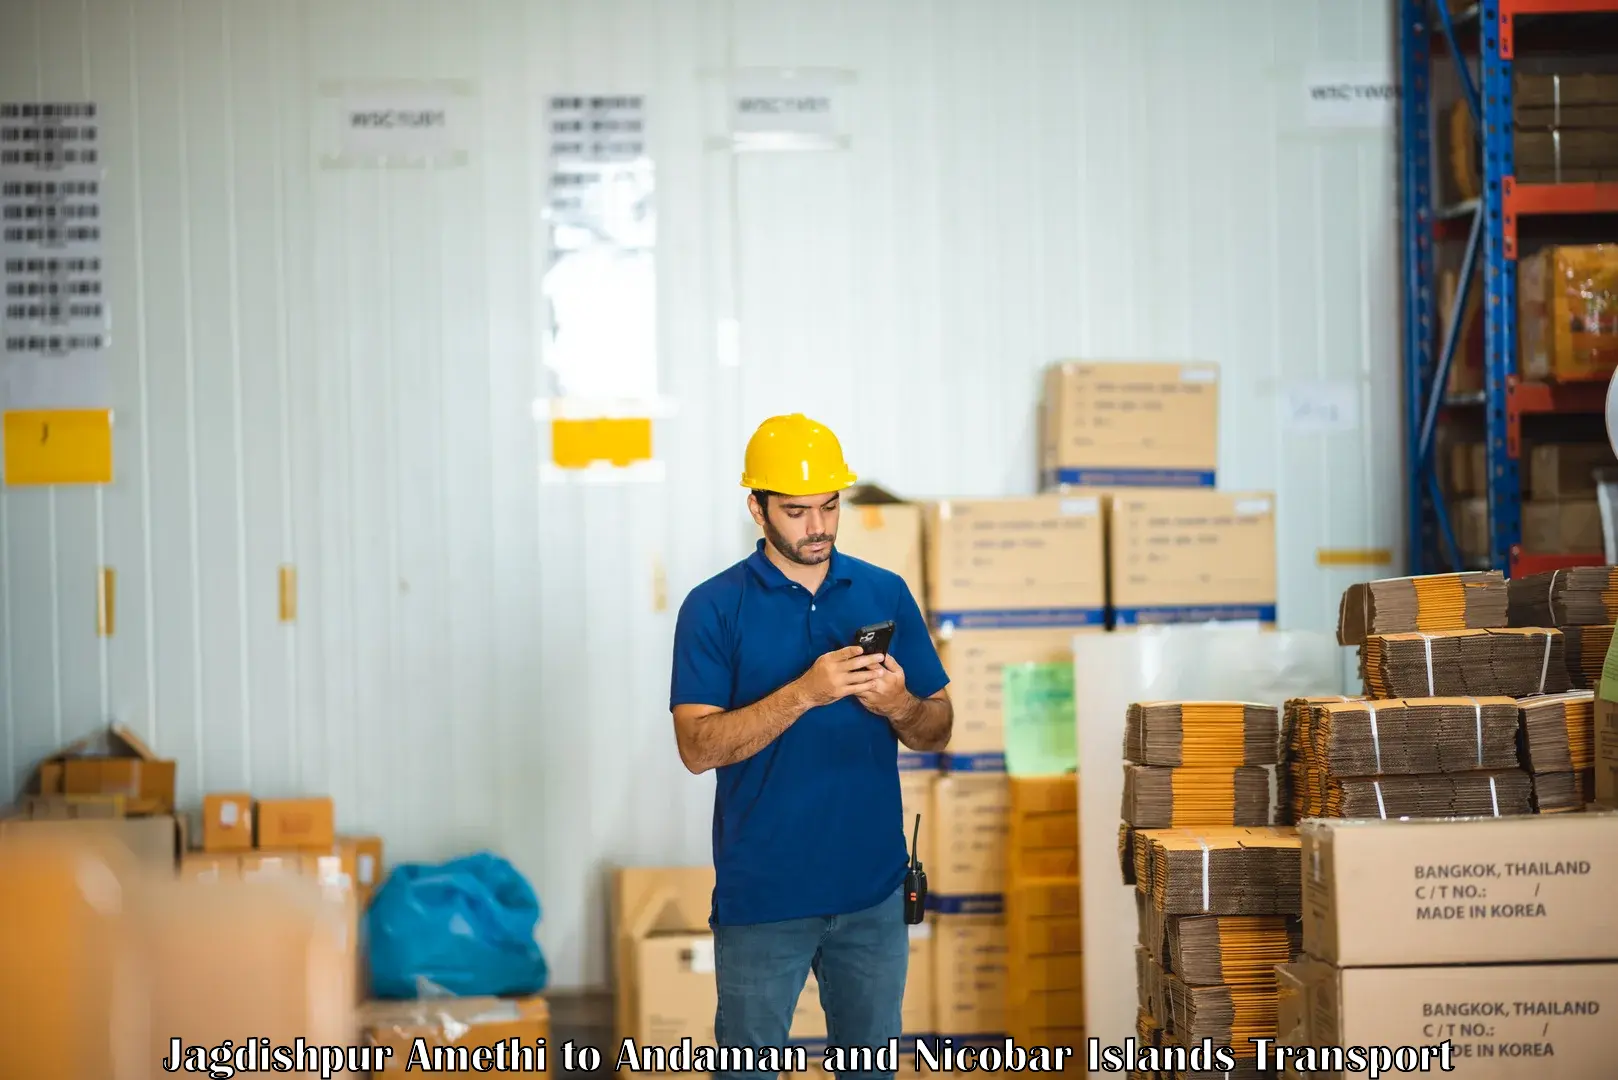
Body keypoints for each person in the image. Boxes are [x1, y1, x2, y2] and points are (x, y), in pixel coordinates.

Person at [668, 413, 953, 1080]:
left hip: (873, 895)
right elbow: (696, 746)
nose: (817, 527)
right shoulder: (714, 608)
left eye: (829, 507)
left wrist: (900, 705)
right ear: (756, 507)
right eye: (796, 512)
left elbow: (937, 727)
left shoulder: (884, 592)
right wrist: (805, 692)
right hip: (764, 897)